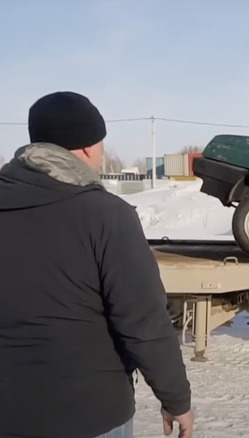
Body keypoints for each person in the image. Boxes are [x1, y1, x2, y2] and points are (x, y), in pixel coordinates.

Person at [0, 91, 195, 438]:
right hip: (91, 415)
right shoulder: (107, 216)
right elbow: (144, 322)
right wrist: (176, 400)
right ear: (90, 147)